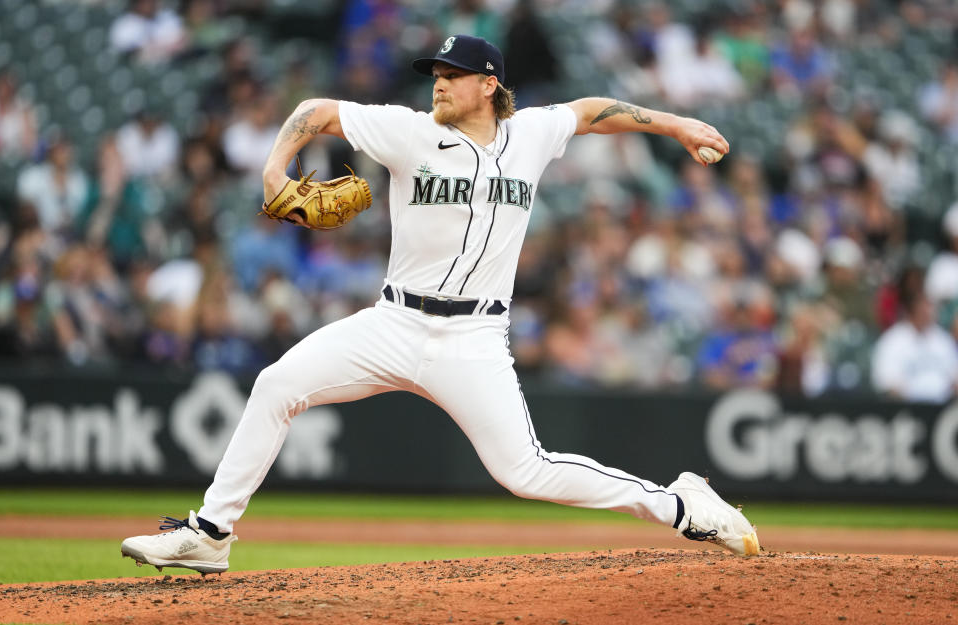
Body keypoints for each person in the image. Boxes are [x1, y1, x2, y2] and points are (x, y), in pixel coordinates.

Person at [120, 35, 759, 574]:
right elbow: (318, 110)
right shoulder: (409, 133)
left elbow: (592, 111)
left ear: (488, 83)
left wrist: (675, 124)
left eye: (452, 76)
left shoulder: (530, 135)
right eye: (435, 74)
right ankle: (210, 535)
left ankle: (681, 505)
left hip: (473, 342)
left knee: (526, 472)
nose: (439, 84)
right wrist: (275, 169)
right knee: (276, 384)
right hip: (394, 322)